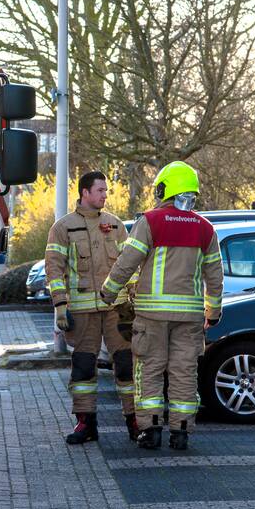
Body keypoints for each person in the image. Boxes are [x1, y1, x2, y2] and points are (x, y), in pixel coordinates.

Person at [100, 161, 224, 451]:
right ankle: (181, 432)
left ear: (165, 188)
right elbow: (215, 277)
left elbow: (127, 262)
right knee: (184, 373)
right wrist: (213, 312)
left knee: (150, 370)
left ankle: (151, 430)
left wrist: (108, 291)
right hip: (191, 317)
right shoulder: (205, 229)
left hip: (152, 315)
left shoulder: (151, 221)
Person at [44, 171, 138, 445]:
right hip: (82, 312)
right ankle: (86, 424)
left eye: (106, 191)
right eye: (100, 190)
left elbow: (130, 264)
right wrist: (60, 306)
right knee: (84, 367)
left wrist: (134, 297)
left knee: (126, 365)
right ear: (85, 192)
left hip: (117, 309)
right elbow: (53, 269)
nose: (105, 195)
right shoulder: (63, 228)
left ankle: (135, 421)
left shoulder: (116, 224)